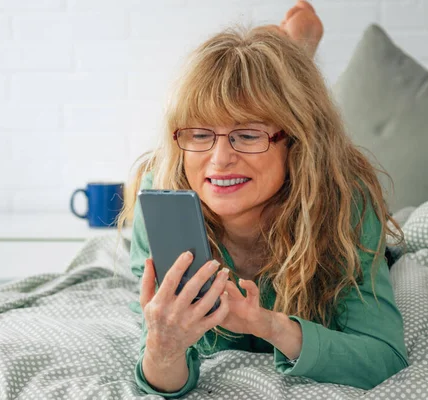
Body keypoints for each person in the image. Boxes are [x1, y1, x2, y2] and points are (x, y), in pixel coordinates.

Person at [118, 1, 408, 397]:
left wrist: (269, 324)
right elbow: (161, 375)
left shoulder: (345, 202)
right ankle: (290, 53)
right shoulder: (162, 201)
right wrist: (164, 345)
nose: (219, 160)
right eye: (200, 134)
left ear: (296, 142)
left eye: (249, 134)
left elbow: (383, 357)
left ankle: (293, 51)